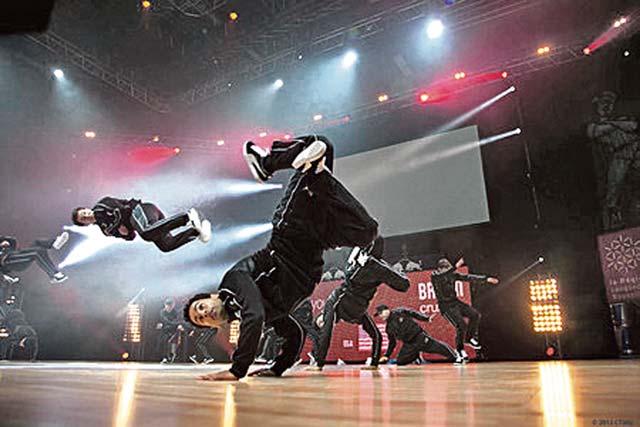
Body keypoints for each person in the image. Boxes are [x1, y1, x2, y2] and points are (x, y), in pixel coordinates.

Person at [184, 135, 379, 381]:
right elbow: (294, 334)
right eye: (201, 319)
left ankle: (267, 163)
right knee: (367, 232)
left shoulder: (233, 282)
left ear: (211, 297)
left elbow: (254, 314)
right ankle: (312, 173)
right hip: (317, 243)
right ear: (213, 327)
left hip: (292, 230)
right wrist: (277, 368)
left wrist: (237, 370)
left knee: (316, 144)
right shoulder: (263, 314)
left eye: (201, 308)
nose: (205, 314)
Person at [311, 237, 410, 370]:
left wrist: (319, 363)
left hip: (347, 299)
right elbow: (404, 285)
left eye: (320, 321)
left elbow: (404, 285)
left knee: (374, 334)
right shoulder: (379, 266)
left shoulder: (374, 264)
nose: (322, 323)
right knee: (375, 334)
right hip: (358, 305)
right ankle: (373, 363)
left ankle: (320, 363)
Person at [71, 198, 211, 252]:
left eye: (84, 212)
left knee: (145, 233)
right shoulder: (105, 230)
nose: (86, 216)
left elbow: (123, 210)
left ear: (86, 208)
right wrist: (125, 234)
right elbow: (131, 236)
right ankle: (196, 231)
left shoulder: (101, 206)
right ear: (85, 224)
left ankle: (187, 217)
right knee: (165, 246)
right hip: (151, 225)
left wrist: (119, 226)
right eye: (83, 219)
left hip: (142, 210)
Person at [430, 257, 499, 362]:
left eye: (448, 268)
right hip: (445, 307)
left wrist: (485, 279)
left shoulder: (452, 275)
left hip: (455, 302)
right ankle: (460, 350)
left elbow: (468, 277)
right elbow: (444, 274)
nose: (448, 272)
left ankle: (468, 338)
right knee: (461, 325)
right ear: (440, 269)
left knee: (475, 315)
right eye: (445, 269)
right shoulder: (435, 276)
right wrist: (456, 265)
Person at [376, 305, 457, 365]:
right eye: (379, 315)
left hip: (419, 337)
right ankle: (416, 357)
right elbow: (392, 343)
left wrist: (426, 318)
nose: (380, 316)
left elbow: (413, 313)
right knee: (400, 361)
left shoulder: (399, 312)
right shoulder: (388, 328)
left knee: (439, 347)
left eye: (380, 313)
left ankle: (455, 356)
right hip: (409, 344)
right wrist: (387, 355)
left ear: (386, 310)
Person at [0, 232, 69, 284]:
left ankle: (54, 243)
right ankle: (55, 275)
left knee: (37, 242)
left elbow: (12, 240)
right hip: (8, 262)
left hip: (15, 255)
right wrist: (4, 276)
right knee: (37, 253)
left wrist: (6, 241)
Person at [157, 298, 185, 363]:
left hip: (173, 330)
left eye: (171, 306)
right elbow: (166, 321)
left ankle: (172, 355)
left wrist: (178, 325)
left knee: (172, 342)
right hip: (165, 330)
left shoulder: (175, 312)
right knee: (163, 342)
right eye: (168, 306)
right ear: (165, 305)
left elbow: (177, 321)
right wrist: (175, 324)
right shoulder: (162, 312)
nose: (169, 308)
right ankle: (165, 357)